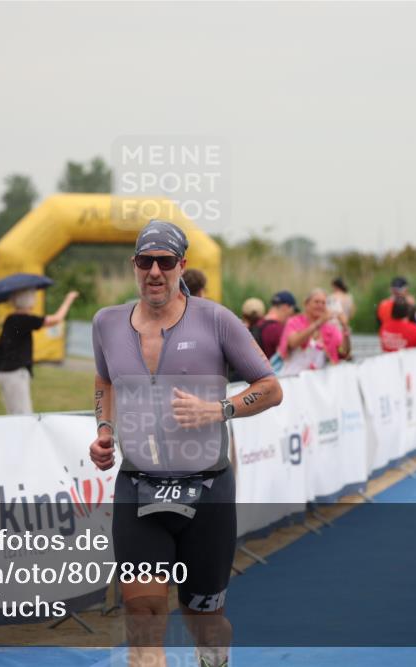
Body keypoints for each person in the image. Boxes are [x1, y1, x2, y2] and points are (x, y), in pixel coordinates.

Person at [89, 219, 282, 667]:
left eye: (165, 262)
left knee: (204, 618)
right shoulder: (107, 323)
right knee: (142, 610)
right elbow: (104, 379)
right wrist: (104, 430)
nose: (154, 271)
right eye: (145, 261)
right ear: (133, 265)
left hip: (208, 489)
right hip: (139, 486)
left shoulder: (215, 319)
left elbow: (270, 387)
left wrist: (219, 410)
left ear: (182, 266)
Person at [0, 288, 79, 414]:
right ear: (28, 301)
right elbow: (56, 319)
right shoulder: (24, 319)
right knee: (24, 416)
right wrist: (68, 300)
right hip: (15, 373)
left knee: (13, 415)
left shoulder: (10, 318)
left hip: (5, 372)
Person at [277, 288, 344, 372]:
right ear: (306, 304)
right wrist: (318, 323)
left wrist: (345, 328)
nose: (320, 305)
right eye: (316, 302)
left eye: (323, 303)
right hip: (294, 377)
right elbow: (293, 343)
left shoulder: (331, 328)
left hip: (320, 379)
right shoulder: (294, 321)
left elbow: (344, 353)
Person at [253, 291, 298, 360]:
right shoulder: (278, 330)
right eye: (293, 311)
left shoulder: (258, 323)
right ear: (285, 308)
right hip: (269, 369)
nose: (293, 315)